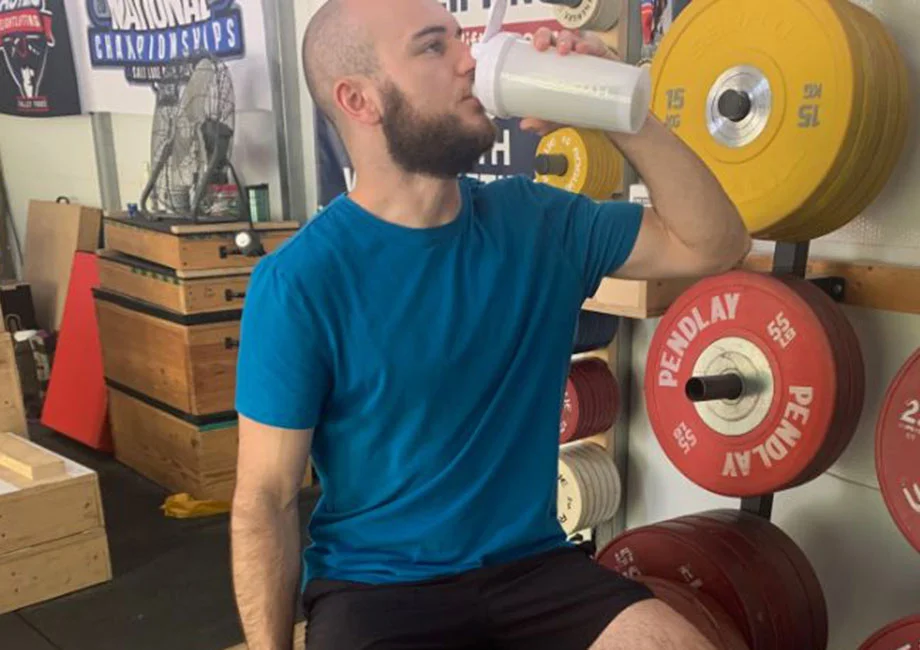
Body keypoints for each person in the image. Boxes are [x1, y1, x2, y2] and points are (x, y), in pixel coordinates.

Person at [229, 0, 751, 648]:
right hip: (378, 590)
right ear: (359, 99)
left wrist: (622, 111)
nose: (469, 60)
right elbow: (266, 499)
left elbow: (715, 243)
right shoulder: (299, 284)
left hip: (535, 571)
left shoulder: (536, 222)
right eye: (432, 48)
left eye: (460, 39)